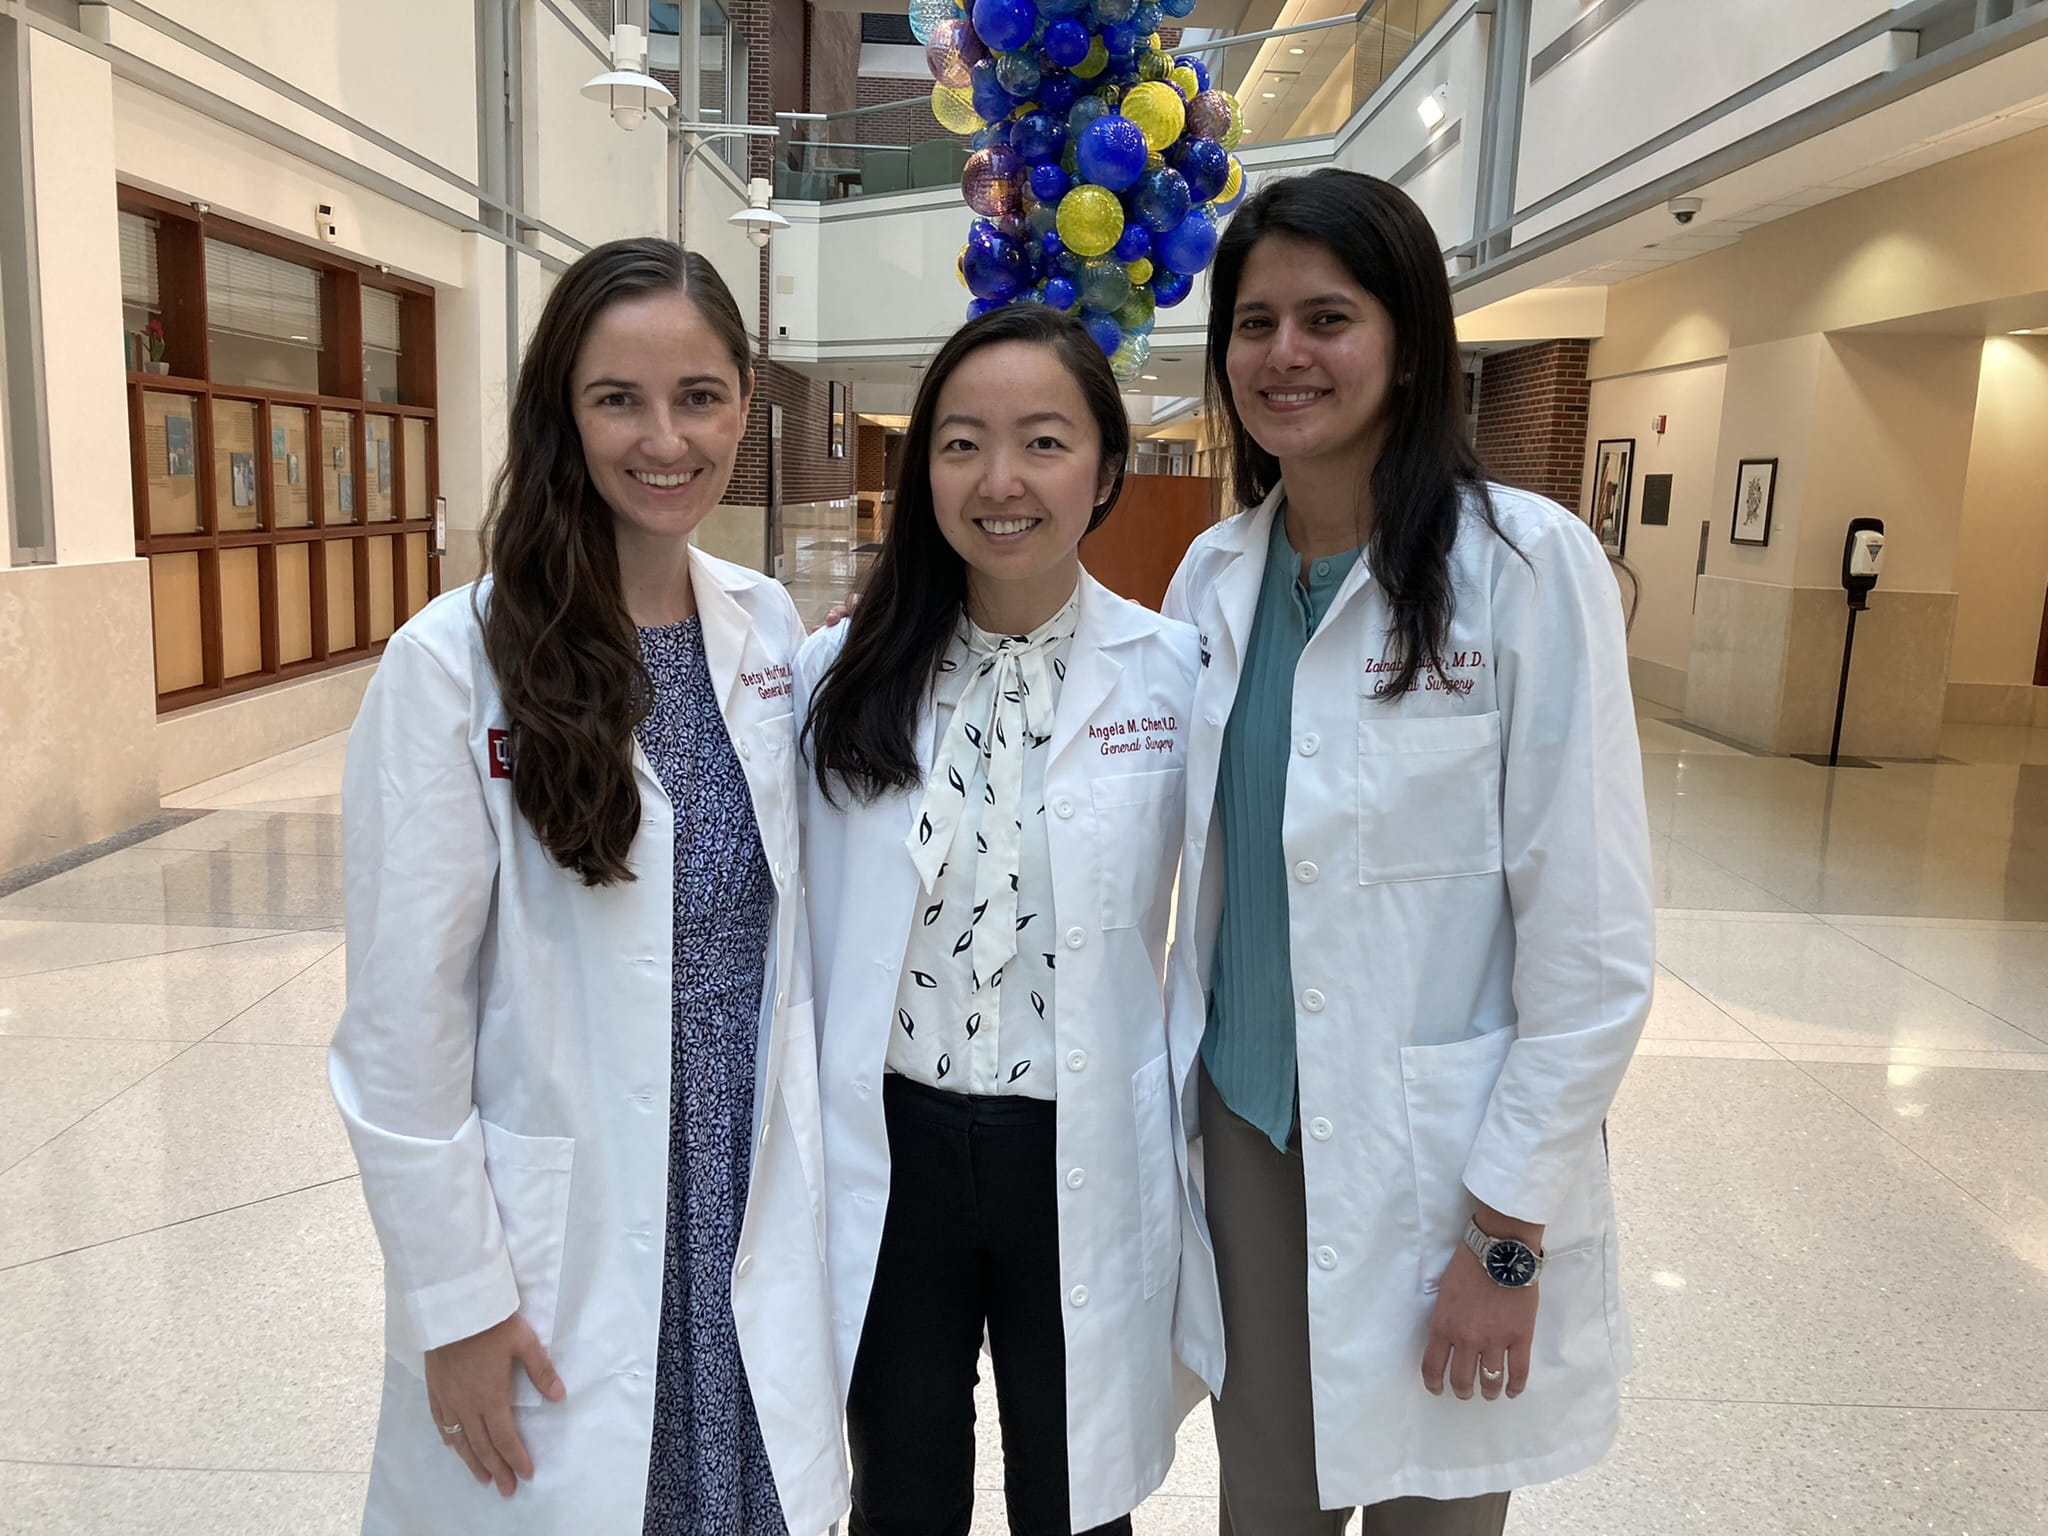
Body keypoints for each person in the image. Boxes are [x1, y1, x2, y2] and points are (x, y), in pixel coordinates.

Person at [1161, 168, 1655, 1535]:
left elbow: (1595, 938)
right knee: (1269, 1500)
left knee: (1435, 1507)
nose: (1285, 356)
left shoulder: (1524, 566)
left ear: (1409, 340)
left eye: (1329, 317)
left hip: (1448, 1154)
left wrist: (1507, 1231)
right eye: (1254, 324)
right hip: (1250, 1128)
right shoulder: (1211, 580)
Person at [329, 238, 846, 1536]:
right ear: (561, 410)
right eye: (618, 398)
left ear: (747, 405)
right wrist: (455, 1305)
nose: (664, 439)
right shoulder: (453, 666)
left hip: (746, 1198)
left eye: (701, 396)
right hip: (567, 1230)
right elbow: (402, 1029)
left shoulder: (768, 631)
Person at [795, 305, 1221, 1536]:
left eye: (1042, 441)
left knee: (1078, 1496)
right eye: (961, 443)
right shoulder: (843, 674)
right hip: (894, 1141)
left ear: (1103, 471)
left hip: (1073, 1148)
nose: (999, 481)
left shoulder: (1175, 673)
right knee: (901, 1490)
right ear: (919, 462)